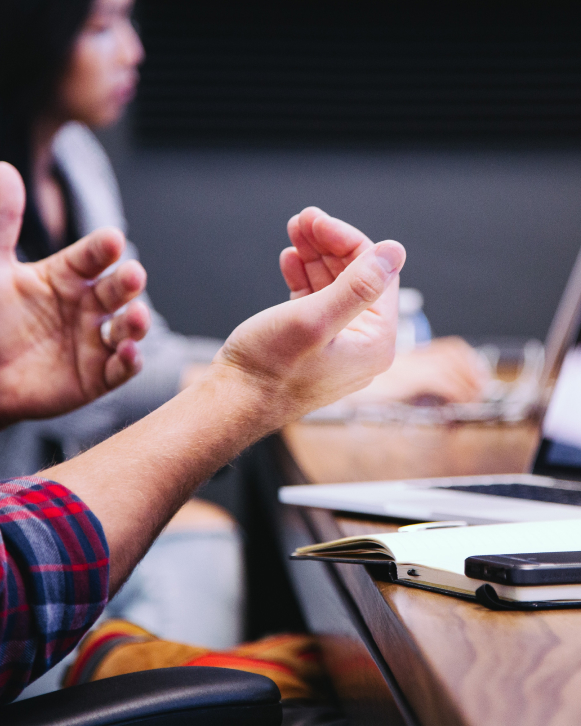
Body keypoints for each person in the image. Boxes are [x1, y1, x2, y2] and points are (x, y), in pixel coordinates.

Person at [0, 155, 407, 703]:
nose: (135, 60)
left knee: (206, 535)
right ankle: (111, 665)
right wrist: (251, 388)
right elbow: (12, 591)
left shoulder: (77, 155)